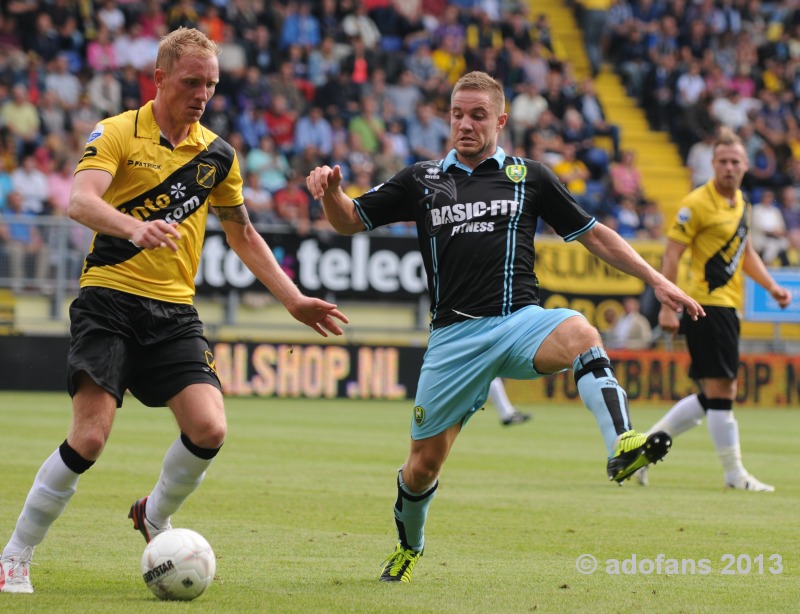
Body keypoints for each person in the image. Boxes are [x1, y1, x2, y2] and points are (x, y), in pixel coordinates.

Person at [306, 71, 703, 583]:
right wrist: (330, 192)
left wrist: (657, 281)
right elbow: (348, 220)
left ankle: (622, 446)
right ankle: (409, 547)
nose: (464, 124)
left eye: (476, 115)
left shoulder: (529, 176)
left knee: (582, 331)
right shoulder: (421, 179)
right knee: (422, 466)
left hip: (521, 323)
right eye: (456, 114)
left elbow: (595, 236)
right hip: (454, 338)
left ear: (500, 119)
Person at [0, 27, 348, 595]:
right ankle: (14, 554)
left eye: (211, 84)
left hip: (173, 312)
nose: (203, 93)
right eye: (192, 81)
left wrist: (293, 299)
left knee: (210, 428)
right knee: (89, 439)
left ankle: (153, 515)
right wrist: (134, 226)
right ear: (159, 78)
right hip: (108, 300)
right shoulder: (115, 132)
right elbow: (79, 201)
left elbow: (243, 234)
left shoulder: (217, 154)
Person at [636, 127, 791, 492]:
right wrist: (668, 307)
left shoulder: (741, 204)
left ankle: (644, 448)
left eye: (735, 161)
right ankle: (734, 474)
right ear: (712, 164)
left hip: (727, 306)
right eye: (722, 161)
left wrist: (771, 286)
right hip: (705, 305)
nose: (729, 167)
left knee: (713, 394)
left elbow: (745, 252)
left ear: (746, 165)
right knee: (724, 389)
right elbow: (671, 255)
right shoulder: (695, 204)